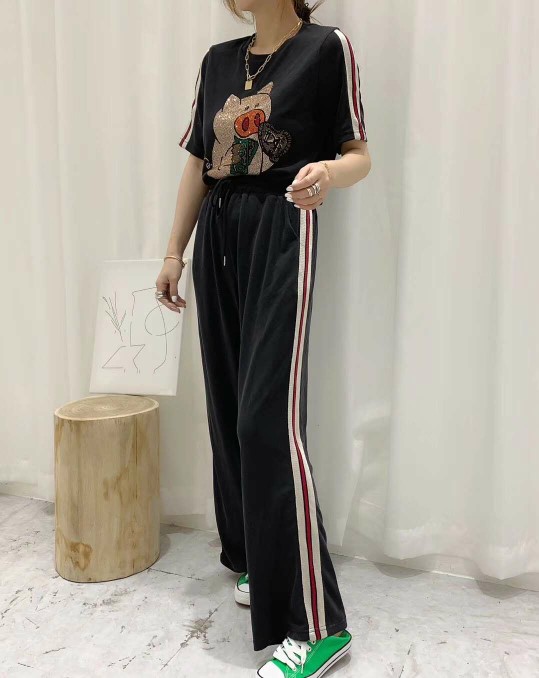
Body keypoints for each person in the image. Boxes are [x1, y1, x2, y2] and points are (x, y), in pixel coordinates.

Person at [156, 0, 371, 675]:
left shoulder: (325, 48)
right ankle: (259, 559)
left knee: (266, 421)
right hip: (218, 231)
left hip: (281, 228)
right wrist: (174, 251)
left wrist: (327, 173)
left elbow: (358, 155)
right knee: (227, 407)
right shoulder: (218, 61)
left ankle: (318, 625)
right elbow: (199, 161)